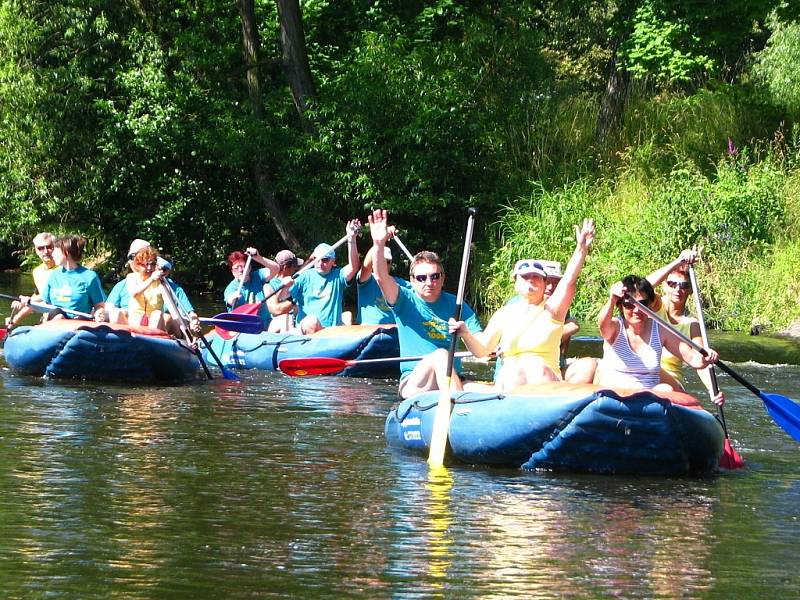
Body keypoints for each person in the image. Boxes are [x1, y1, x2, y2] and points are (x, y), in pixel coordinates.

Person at [451, 219, 595, 392]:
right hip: (512, 380)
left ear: (545, 283)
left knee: (536, 368)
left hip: (544, 380)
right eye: (525, 277)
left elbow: (569, 280)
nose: (530, 281)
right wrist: (465, 333)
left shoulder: (553, 310)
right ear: (515, 283)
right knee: (513, 373)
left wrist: (581, 249)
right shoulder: (504, 314)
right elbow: (481, 350)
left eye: (536, 277)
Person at [368, 209, 483, 399]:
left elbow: (481, 346)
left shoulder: (457, 304)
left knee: (496, 391)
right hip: (416, 383)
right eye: (421, 278)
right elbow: (381, 276)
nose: (429, 282)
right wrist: (379, 244)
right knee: (440, 356)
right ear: (412, 280)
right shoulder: (404, 299)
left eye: (434, 276)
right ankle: (458, 407)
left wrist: (467, 334)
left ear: (443, 278)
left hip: (454, 379)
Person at [594, 275, 721, 396]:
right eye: (629, 305)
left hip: (648, 399)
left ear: (650, 305)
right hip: (614, 396)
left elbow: (695, 360)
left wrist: (706, 357)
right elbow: (602, 325)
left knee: (666, 389)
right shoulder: (615, 327)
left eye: (642, 304)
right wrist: (612, 300)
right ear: (621, 307)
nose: (637, 310)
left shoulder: (660, 330)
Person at [287, 219, 361, 334]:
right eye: (317, 259)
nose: (320, 263)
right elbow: (283, 296)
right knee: (312, 321)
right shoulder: (303, 276)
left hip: (329, 332)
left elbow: (354, 266)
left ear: (333, 261)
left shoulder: (338, 275)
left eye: (325, 260)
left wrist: (352, 239)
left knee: (347, 316)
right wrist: (285, 285)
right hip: (306, 332)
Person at [38, 235, 106, 322]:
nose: (52, 254)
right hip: (56, 318)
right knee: (58, 315)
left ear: (66, 252)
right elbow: (45, 303)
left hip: (78, 321)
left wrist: (98, 313)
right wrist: (28, 303)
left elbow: (99, 305)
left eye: (55, 251)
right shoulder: (54, 275)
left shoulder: (89, 276)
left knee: (60, 317)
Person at [5, 232, 58, 330]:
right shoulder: (37, 272)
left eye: (49, 247)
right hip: (47, 318)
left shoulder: (65, 269)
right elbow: (37, 298)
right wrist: (15, 319)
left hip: (63, 317)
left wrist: (27, 301)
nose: (45, 251)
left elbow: (51, 296)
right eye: (40, 248)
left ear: (56, 247)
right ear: (36, 250)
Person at [223, 248, 280, 329]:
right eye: (236, 268)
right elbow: (229, 298)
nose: (241, 270)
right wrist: (232, 299)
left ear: (249, 267)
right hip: (246, 329)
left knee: (284, 320)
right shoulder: (231, 288)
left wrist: (258, 257)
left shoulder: (258, 276)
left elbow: (276, 269)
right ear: (232, 272)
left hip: (267, 326)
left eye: (243, 266)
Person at [356, 244, 412, 325]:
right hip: (369, 331)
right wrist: (379, 242)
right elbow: (366, 266)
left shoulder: (400, 283)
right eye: (380, 260)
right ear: (373, 261)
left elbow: (418, 288)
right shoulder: (367, 278)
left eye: (388, 262)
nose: (384, 264)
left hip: (393, 331)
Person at [106, 238, 150, 324]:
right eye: (132, 258)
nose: (135, 262)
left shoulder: (160, 283)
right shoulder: (122, 285)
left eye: (141, 258)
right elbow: (108, 308)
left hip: (152, 324)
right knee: (116, 313)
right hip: (128, 329)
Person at [124, 246, 167, 330]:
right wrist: (151, 279)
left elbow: (171, 305)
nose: (149, 268)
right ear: (138, 265)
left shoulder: (161, 281)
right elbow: (134, 293)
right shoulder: (131, 277)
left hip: (154, 322)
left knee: (157, 314)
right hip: (135, 321)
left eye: (153, 264)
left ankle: (153, 339)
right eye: (146, 264)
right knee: (118, 313)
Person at [158, 256, 202, 336]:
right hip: (150, 324)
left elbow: (190, 313)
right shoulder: (142, 283)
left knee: (166, 318)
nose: (161, 272)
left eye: (164, 269)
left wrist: (194, 320)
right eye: (158, 268)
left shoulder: (176, 290)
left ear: (168, 272)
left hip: (173, 327)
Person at [266, 250, 302, 333]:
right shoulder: (269, 286)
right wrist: (294, 300)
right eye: (294, 266)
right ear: (286, 267)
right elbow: (276, 310)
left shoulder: (297, 279)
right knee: (287, 319)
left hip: (297, 322)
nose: (296, 268)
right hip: (281, 325)